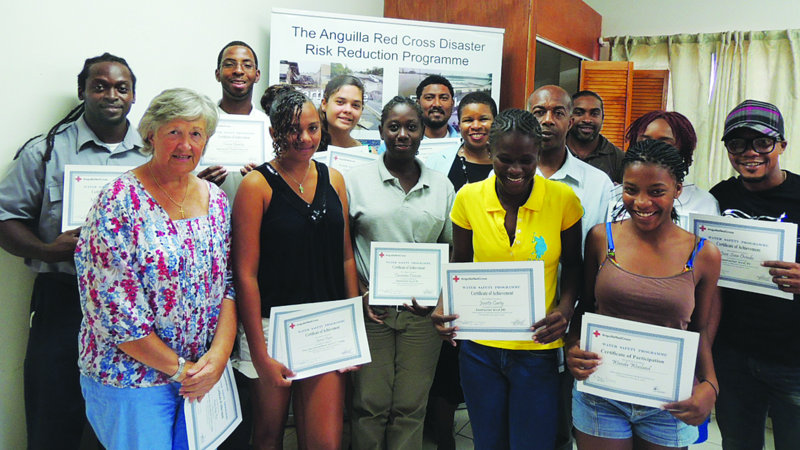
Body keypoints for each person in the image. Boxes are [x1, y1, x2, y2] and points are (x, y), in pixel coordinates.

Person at [0, 53, 148, 450]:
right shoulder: (44, 151)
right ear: (82, 91)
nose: (111, 95)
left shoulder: (153, 156)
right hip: (65, 299)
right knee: (54, 416)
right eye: (99, 86)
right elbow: (5, 220)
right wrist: (47, 251)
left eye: (121, 87)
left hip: (134, 307)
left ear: (134, 95)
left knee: (121, 420)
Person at [75, 88, 236, 449]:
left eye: (196, 133)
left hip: (200, 379)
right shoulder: (118, 201)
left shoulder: (217, 200)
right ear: (151, 134)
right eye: (173, 132)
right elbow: (115, 311)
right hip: (133, 380)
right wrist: (180, 370)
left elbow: (227, 284)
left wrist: (218, 357)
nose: (185, 144)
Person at [433, 108, 583, 449]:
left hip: (536, 346)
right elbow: (460, 264)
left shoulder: (562, 200)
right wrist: (443, 306)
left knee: (531, 442)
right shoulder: (468, 198)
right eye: (505, 159)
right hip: (479, 349)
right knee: (488, 441)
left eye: (527, 160)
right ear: (489, 153)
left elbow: (574, 265)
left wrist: (565, 310)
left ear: (538, 155)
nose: (516, 170)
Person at [567, 139, 721, 449]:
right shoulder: (601, 237)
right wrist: (572, 347)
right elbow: (585, 309)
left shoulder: (703, 254)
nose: (641, 202)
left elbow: (699, 329)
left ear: (677, 189)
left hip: (667, 398)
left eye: (656, 192)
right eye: (631, 189)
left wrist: (711, 385)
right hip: (602, 391)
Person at [233, 89, 359, 449]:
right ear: (273, 133)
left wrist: (353, 333)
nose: (304, 138)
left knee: (325, 441)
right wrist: (258, 351)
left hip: (327, 325)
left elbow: (346, 257)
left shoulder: (334, 179)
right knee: (269, 436)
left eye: (312, 128)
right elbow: (245, 274)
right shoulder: (256, 185)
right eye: (292, 130)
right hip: (273, 329)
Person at [347, 96, 455, 450]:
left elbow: (452, 249)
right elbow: (342, 246)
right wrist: (358, 293)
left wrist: (438, 300)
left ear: (423, 132)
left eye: (411, 126)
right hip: (370, 313)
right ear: (380, 131)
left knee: (411, 407)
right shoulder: (355, 182)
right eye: (394, 126)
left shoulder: (441, 186)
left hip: (421, 317)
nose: (402, 134)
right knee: (369, 405)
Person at [710, 100, 800, 449]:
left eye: (762, 142)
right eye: (737, 143)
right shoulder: (719, 196)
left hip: (793, 357)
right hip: (732, 354)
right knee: (737, 442)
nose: (750, 153)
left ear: (781, 145)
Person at [528, 85, 613, 245]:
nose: (548, 120)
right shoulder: (506, 177)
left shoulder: (599, 184)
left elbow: (604, 247)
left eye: (558, 113)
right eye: (539, 112)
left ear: (570, 123)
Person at [608, 111, 719, 230]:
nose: (653, 149)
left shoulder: (704, 203)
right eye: (645, 142)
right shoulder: (613, 195)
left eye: (665, 144)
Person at [203, 41, 268, 201]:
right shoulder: (200, 124)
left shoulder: (270, 127)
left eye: (247, 65)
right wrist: (198, 184)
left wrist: (266, 180)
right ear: (217, 74)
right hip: (207, 217)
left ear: (257, 75)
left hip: (259, 222)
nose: (238, 71)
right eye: (230, 64)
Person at [426, 91, 496, 191]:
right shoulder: (436, 161)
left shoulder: (508, 163)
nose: (476, 126)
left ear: (495, 122)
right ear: (459, 125)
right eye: (468, 120)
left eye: (483, 119)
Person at [377, 75, 459, 154]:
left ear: (452, 103)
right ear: (418, 103)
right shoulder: (390, 147)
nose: (437, 104)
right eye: (429, 97)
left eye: (443, 98)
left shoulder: (463, 146)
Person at [566, 90, 625, 183]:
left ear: (602, 118)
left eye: (594, 114)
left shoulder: (618, 159)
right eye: (579, 113)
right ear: (568, 117)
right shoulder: (556, 150)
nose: (587, 120)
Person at [320, 75, 366, 149]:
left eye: (355, 105)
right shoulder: (306, 150)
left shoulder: (368, 153)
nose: (348, 110)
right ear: (324, 104)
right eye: (340, 102)